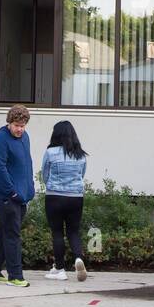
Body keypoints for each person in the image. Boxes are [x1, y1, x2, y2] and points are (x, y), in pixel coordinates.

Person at [0, 104, 33, 287]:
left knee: (5, 230)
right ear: (9, 123)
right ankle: (15, 276)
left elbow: (27, 162)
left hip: (21, 193)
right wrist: (11, 191)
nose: (19, 129)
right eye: (16, 125)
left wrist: (30, 187)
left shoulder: (24, 137)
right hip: (5, 194)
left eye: (22, 126)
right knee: (13, 233)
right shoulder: (0, 139)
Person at [41, 120, 88, 282]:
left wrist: (51, 186)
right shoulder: (80, 154)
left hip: (54, 196)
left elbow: (44, 174)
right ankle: (78, 258)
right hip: (76, 198)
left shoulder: (51, 152)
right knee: (73, 231)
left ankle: (60, 269)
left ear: (56, 134)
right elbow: (82, 175)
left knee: (57, 232)